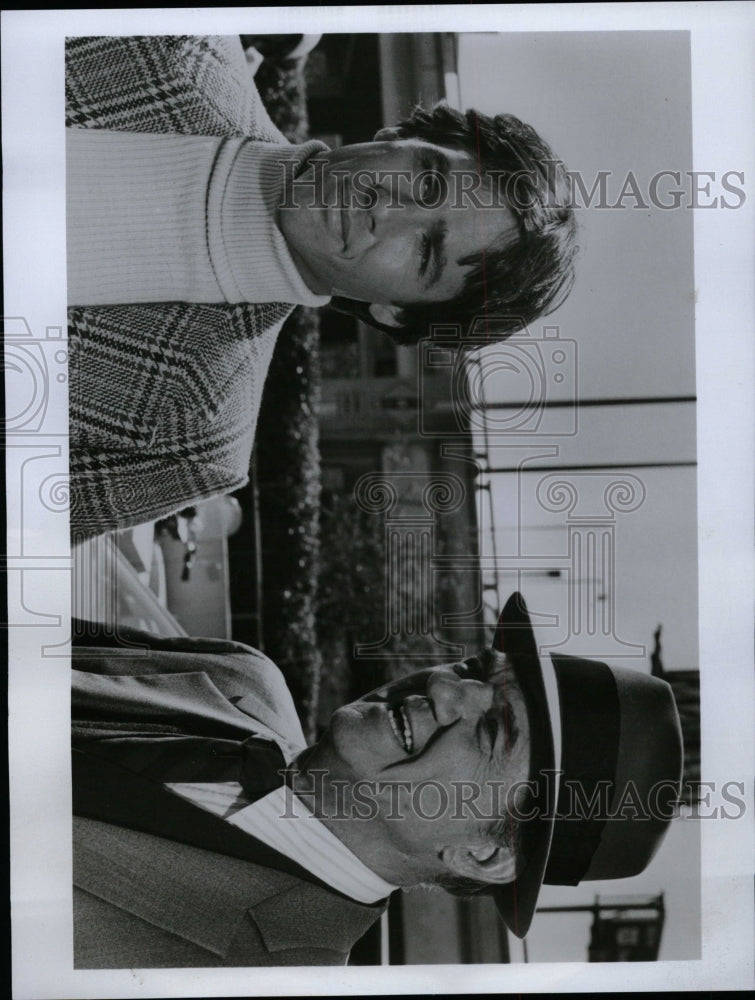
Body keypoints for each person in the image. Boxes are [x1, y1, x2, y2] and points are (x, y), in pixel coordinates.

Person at [65, 35, 577, 538]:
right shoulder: (180, 38)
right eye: (427, 182)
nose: (386, 208)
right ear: (395, 134)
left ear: (394, 312)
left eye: (426, 251)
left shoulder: (198, 442)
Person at [72, 592, 683, 967]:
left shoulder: (255, 978)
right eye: (476, 669)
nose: (443, 686)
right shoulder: (239, 674)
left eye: (493, 730)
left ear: (484, 852)